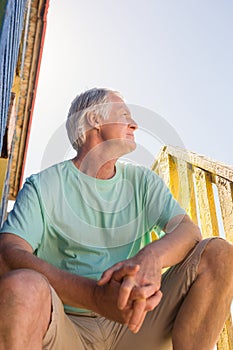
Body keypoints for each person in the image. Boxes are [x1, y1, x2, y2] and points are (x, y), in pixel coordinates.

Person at [0, 87, 232, 350]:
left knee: (219, 254)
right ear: (95, 120)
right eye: (124, 114)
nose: (134, 124)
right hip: (68, 329)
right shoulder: (43, 186)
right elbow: (8, 254)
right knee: (22, 288)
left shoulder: (142, 181)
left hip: (136, 325)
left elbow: (188, 232)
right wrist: (94, 296)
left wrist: (150, 259)